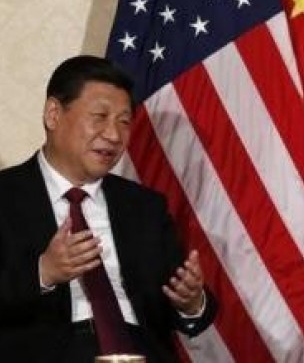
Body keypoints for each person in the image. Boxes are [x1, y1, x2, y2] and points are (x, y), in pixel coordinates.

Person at [0, 55, 217, 362]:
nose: (114, 135)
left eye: (124, 121)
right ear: (53, 114)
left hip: (140, 352)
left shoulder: (145, 207)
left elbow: (182, 306)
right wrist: (43, 272)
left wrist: (191, 303)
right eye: (99, 116)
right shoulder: (6, 195)